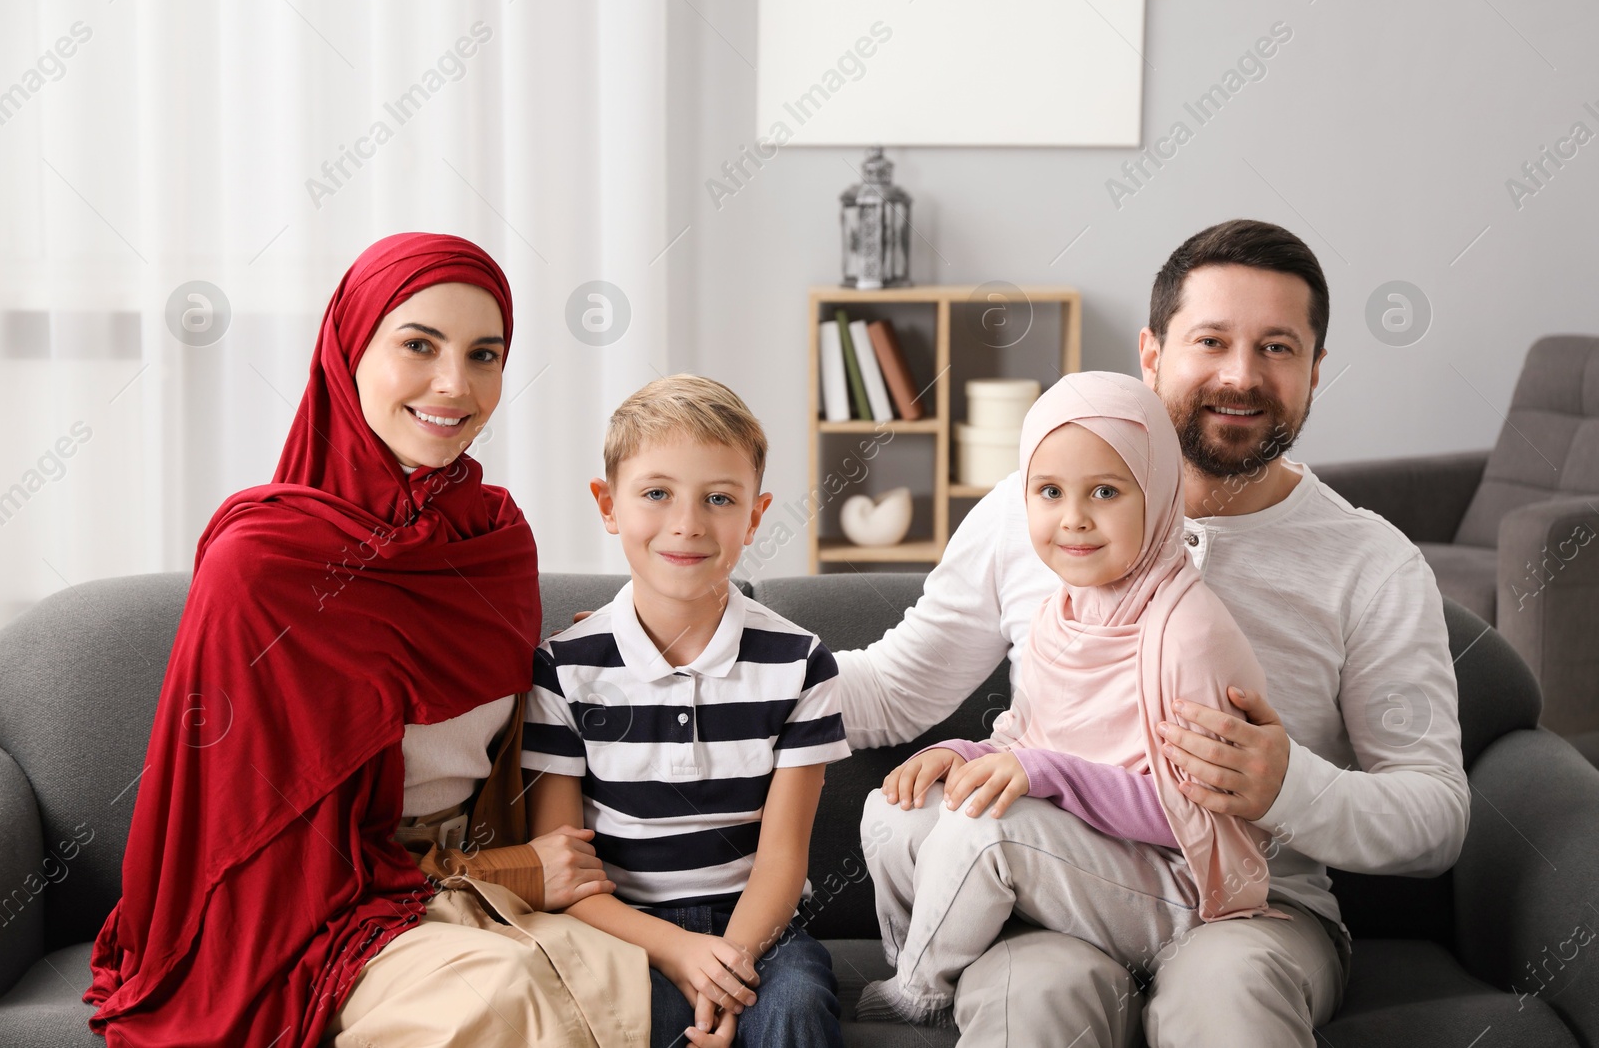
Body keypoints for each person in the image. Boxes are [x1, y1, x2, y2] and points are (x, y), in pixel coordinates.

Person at [837, 219, 1469, 1048]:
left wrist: (1289, 786)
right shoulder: (1034, 511)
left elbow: (1437, 815)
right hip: (1046, 895)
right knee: (1032, 996)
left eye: (1277, 347)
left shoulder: (1372, 563)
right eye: (1210, 340)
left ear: (1316, 371)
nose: (1241, 375)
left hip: (1256, 908)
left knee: (1228, 992)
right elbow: (889, 688)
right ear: (1151, 354)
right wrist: (690, 652)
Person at [85, 233, 648, 1048]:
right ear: (348, 349)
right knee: (505, 995)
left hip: (464, 887)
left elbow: (511, 734)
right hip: (323, 912)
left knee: (646, 987)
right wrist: (513, 869)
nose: (455, 385)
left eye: (484, 354)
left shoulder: (495, 540)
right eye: (419, 344)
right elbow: (264, 856)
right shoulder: (263, 565)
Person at [856, 371, 1281, 1027]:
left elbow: (1194, 816)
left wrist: (1048, 775)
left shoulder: (1188, 632)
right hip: (1079, 854)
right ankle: (929, 950)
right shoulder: (1063, 610)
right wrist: (958, 753)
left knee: (983, 827)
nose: (1074, 517)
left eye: (1105, 492)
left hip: (1175, 890)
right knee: (896, 809)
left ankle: (920, 989)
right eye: (1049, 491)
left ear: (1158, 494)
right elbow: (1029, 740)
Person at [524, 375, 850, 1048]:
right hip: (620, 925)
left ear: (755, 516)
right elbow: (566, 870)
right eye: (656, 493)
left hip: (757, 927)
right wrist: (678, 951)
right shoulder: (562, 667)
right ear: (608, 503)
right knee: (626, 1017)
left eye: (719, 499)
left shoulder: (801, 662)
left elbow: (782, 859)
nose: (688, 523)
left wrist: (724, 963)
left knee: (795, 1004)